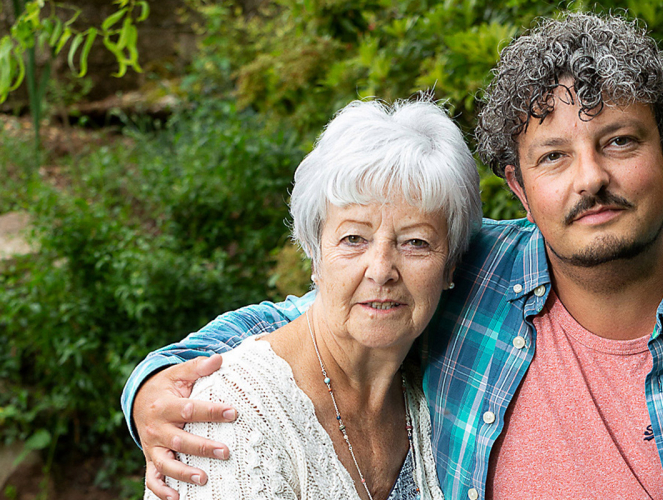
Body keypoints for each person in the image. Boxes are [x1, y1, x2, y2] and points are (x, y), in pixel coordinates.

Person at [126, 12, 663, 500]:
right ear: (519, 188)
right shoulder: (476, 266)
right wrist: (154, 385)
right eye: (554, 156)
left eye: (619, 141)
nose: (590, 178)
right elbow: (319, 313)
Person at [139, 98, 482, 500]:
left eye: (416, 242)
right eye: (354, 238)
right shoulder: (232, 414)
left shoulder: (423, 398)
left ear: (450, 267)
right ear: (314, 253)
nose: (381, 269)